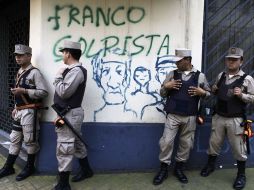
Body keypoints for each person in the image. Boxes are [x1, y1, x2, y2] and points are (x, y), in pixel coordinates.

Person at [153, 49, 211, 185]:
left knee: (186, 144)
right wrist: (167, 86)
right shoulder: (172, 74)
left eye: (179, 61)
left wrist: (202, 92)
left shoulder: (200, 76)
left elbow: (208, 95)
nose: (177, 64)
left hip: (190, 116)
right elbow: (162, 93)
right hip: (173, 115)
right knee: (166, 142)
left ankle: (179, 168)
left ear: (188, 60)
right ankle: (163, 169)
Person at [200, 47, 254, 190]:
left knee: (238, 148)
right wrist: (213, 89)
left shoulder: (247, 79)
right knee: (214, 143)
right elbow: (215, 90)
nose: (231, 62)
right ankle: (210, 166)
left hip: (236, 120)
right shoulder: (221, 75)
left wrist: (242, 95)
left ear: (241, 61)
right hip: (219, 117)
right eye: (229, 59)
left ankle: (241, 175)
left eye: (235, 59)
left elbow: (253, 98)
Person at [0, 44, 48, 181]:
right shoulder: (19, 72)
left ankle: (29, 166)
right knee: (14, 138)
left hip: (30, 111)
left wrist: (25, 91)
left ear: (29, 56)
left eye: (21, 55)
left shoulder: (35, 73)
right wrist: (16, 106)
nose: (17, 58)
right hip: (20, 111)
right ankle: (9, 166)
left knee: (30, 141)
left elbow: (44, 92)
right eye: (16, 55)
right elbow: (18, 94)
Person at [53, 40, 93, 190]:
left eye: (63, 52)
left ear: (68, 53)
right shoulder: (72, 70)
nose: (63, 55)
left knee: (65, 145)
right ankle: (87, 170)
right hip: (68, 113)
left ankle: (63, 184)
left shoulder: (76, 71)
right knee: (76, 143)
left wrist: (57, 77)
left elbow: (64, 92)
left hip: (69, 114)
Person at [91, 48, 136, 121]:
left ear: (127, 76)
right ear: (98, 78)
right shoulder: (97, 116)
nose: (113, 83)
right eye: (105, 71)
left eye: (119, 72)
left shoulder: (134, 115)